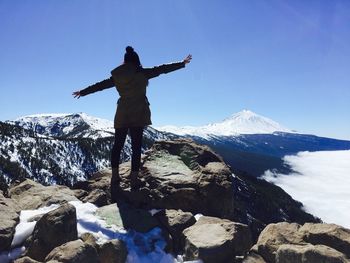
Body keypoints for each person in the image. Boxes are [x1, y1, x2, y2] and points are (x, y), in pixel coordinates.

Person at [73, 46, 192, 201]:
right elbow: (163, 69)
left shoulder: (117, 76)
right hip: (139, 112)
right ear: (136, 60)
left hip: (122, 112)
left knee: (117, 145)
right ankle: (134, 179)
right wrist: (181, 63)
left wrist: (83, 92)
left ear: (125, 61)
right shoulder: (142, 72)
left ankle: (115, 177)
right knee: (136, 147)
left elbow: (100, 86)